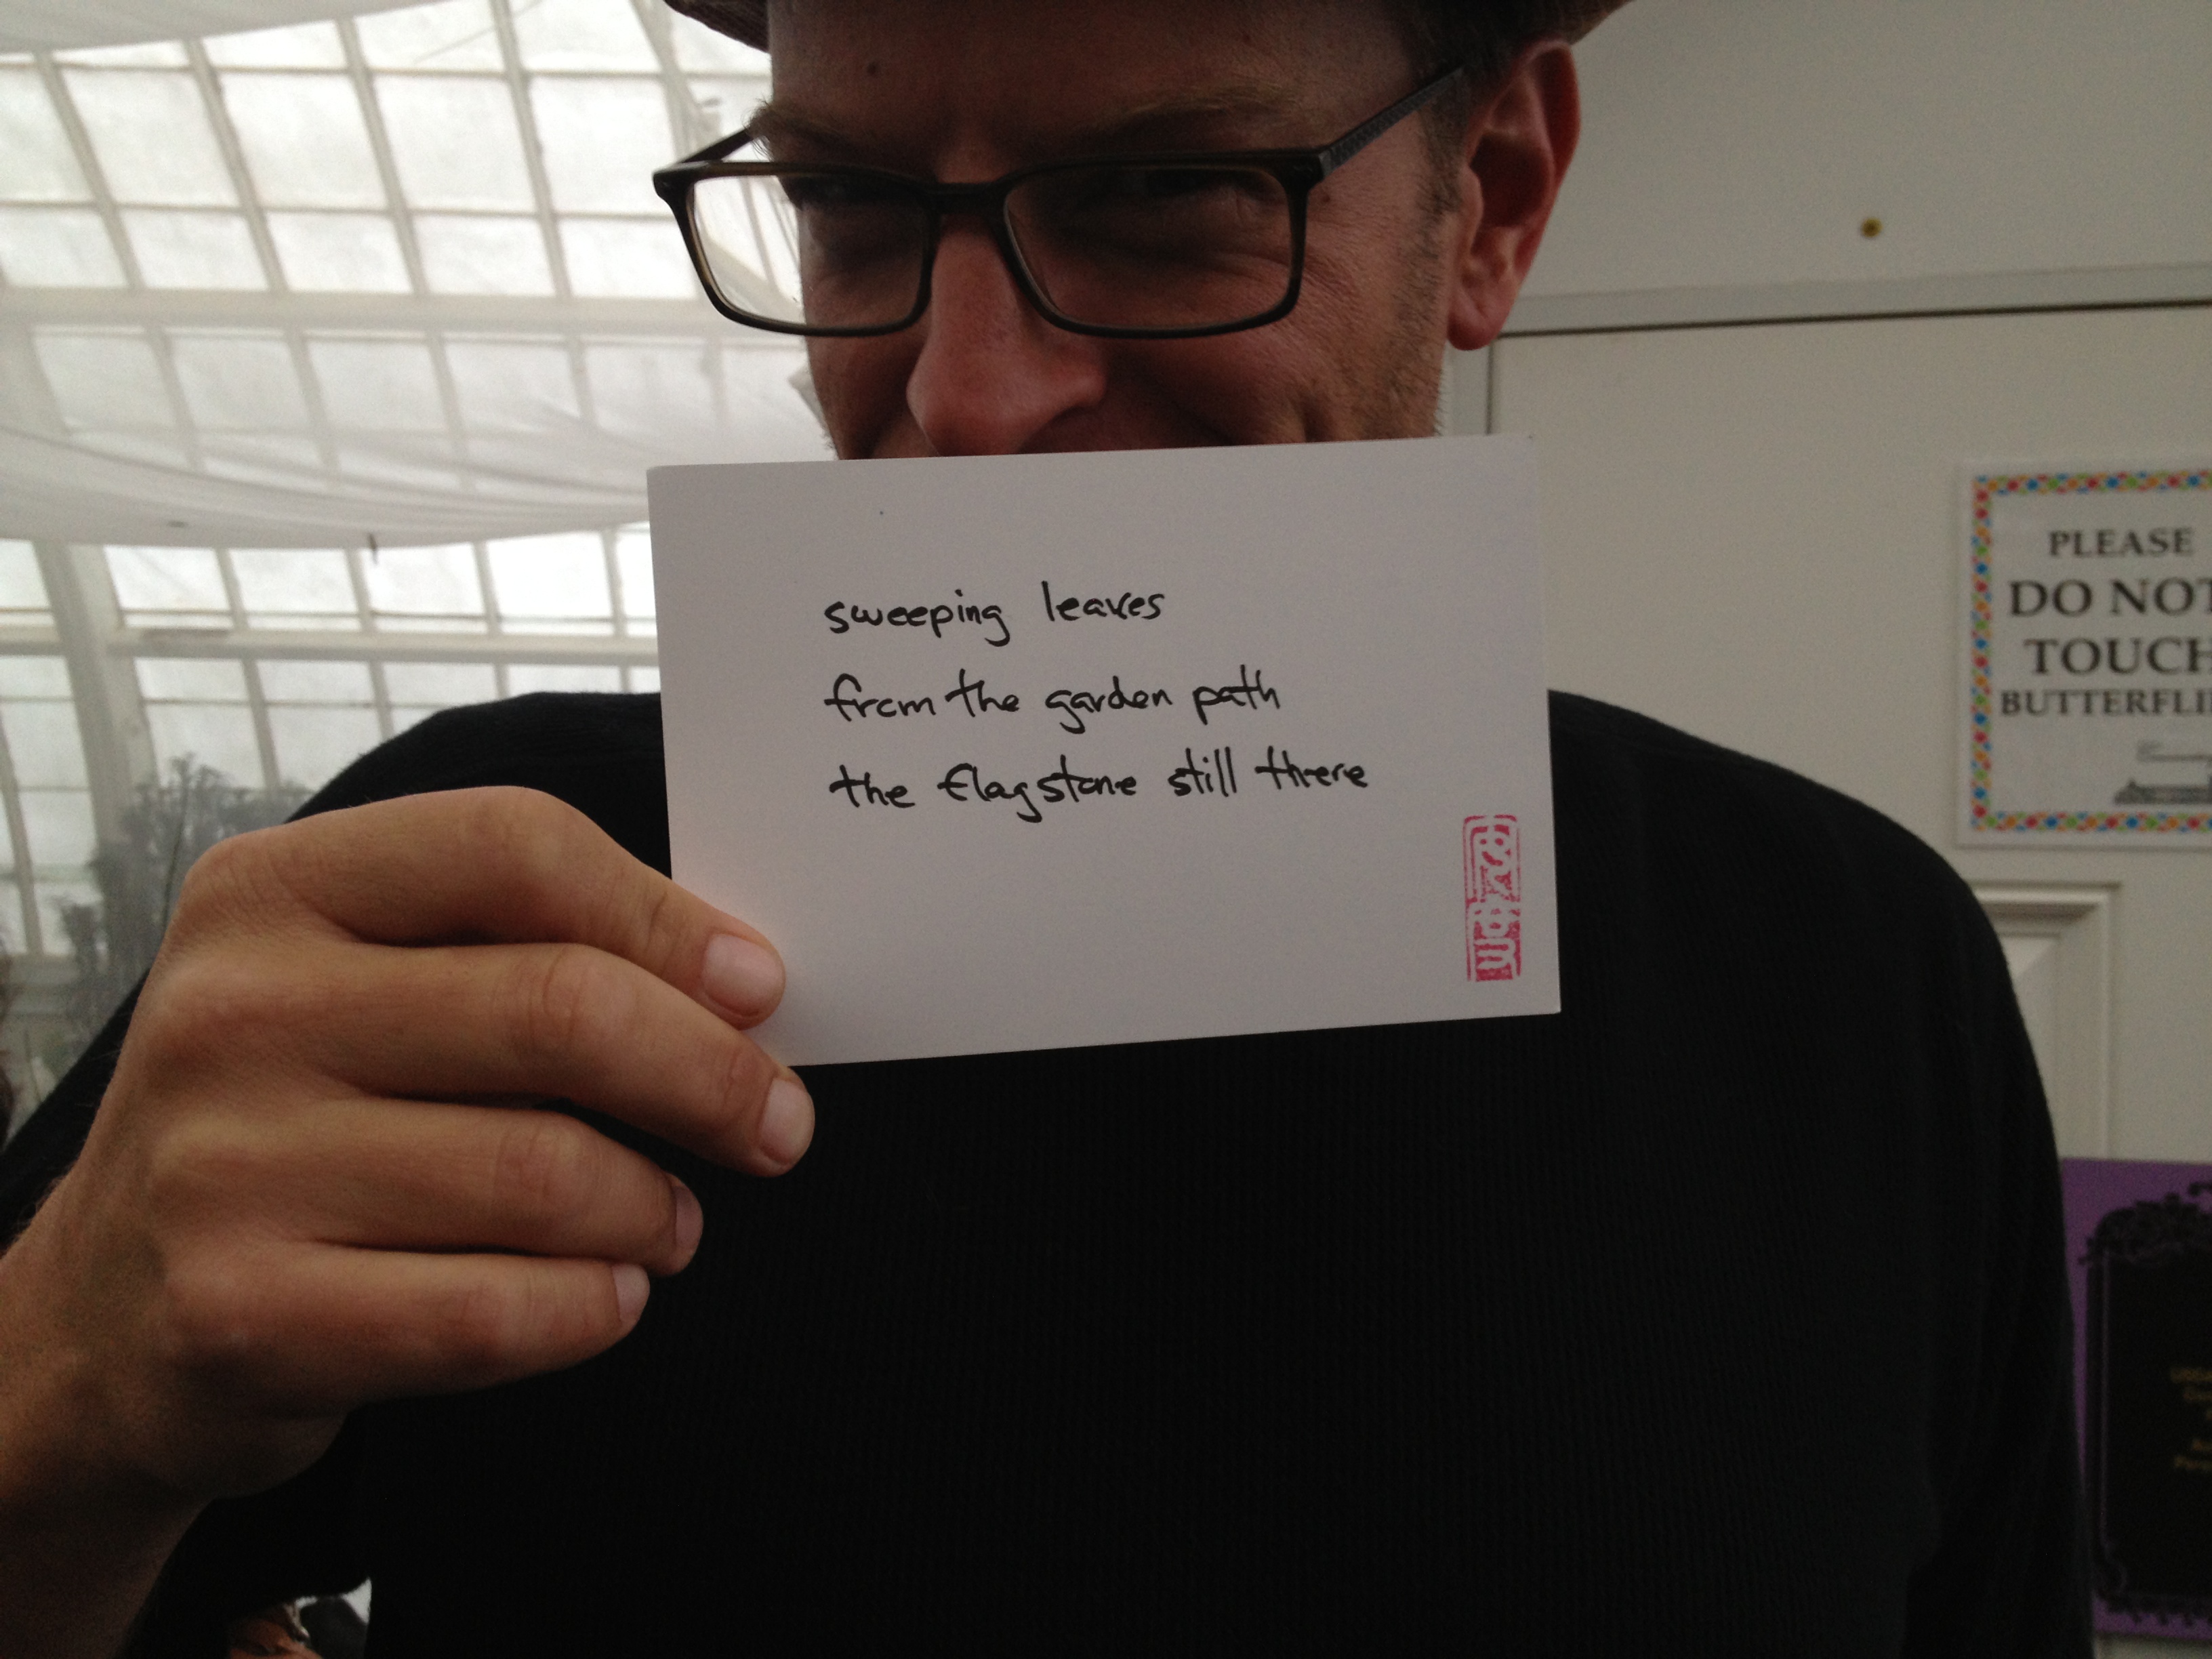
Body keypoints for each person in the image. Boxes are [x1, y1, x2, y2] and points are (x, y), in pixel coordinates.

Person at [0, 1, 2091, 1652]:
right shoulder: (480, 899)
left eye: (1168, 194)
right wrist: (64, 1395)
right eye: (850, 208)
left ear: (1497, 202)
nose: (971, 395)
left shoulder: (1843, 972)